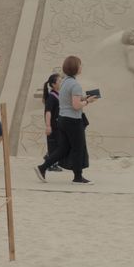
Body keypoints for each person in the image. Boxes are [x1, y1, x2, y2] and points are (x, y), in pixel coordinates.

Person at [36, 55, 98, 185]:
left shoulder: (64, 82)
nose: (81, 67)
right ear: (76, 67)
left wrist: (83, 98)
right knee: (78, 147)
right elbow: (76, 106)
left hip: (62, 119)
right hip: (73, 120)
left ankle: (42, 167)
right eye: (80, 65)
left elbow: (70, 100)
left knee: (63, 148)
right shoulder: (75, 84)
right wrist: (87, 101)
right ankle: (78, 177)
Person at [42, 73, 63, 172]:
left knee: (59, 144)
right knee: (54, 145)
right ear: (54, 84)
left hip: (58, 125)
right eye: (59, 81)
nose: (61, 82)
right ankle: (50, 163)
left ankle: (49, 158)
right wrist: (48, 126)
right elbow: (48, 111)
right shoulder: (52, 96)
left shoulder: (58, 95)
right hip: (53, 125)